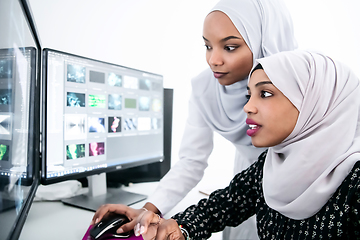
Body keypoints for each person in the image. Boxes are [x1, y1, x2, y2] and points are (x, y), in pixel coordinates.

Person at [91, 0, 297, 239]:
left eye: (230, 47)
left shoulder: (302, 90)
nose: (213, 60)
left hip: (294, 188)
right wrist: (148, 210)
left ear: (265, 43)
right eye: (208, 46)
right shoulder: (205, 88)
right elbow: (191, 160)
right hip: (243, 186)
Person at [132, 50, 360, 240]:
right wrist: (177, 228)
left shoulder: (356, 181)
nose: (248, 107)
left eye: (266, 93)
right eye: (249, 95)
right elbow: (219, 208)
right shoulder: (271, 163)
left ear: (314, 101)